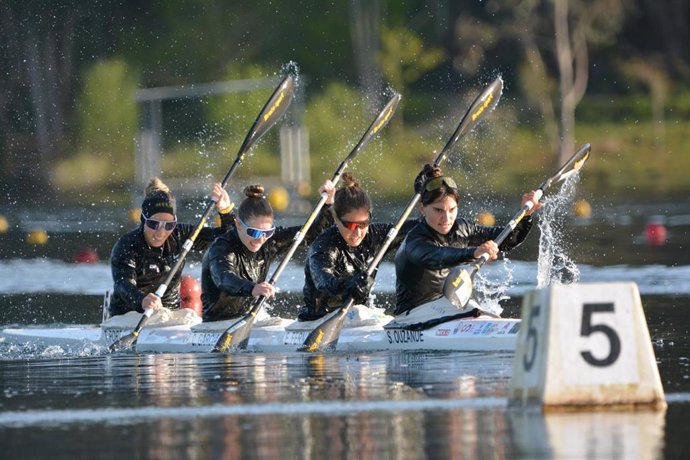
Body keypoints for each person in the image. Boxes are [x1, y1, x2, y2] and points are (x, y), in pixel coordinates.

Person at [393, 164, 542, 322]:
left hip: (446, 307)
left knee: (482, 314)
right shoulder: (414, 240)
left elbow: (508, 239)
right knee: (474, 312)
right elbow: (437, 257)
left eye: (452, 210)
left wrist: (525, 216)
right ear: (423, 209)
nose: (446, 218)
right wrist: (473, 253)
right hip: (412, 315)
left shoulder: (463, 228)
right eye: (438, 210)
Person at [201, 181, 336, 322]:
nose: (261, 239)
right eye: (254, 232)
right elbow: (224, 279)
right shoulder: (220, 248)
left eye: (267, 232)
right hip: (216, 323)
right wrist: (253, 288)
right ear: (239, 224)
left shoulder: (269, 241)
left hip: (249, 318)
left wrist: (327, 205)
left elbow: (314, 234)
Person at [298, 172, 417, 322]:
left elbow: (418, 229)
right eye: (350, 225)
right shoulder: (323, 245)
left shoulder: (377, 236)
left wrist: (427, 197)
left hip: (358, 317)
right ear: (336, 219)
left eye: (363, 224)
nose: (358, 232)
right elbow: (324, 282)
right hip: (318, 320)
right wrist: (349, 285)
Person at [109, 177, 234, 317]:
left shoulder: (182, 234)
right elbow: (123, 284)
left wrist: (225, 212)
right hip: (128, 316)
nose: (161, 232)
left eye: (169, 225)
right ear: (143, 219)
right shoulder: (126, 245)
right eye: (154, 224)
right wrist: (142, 300)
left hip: (168, 315)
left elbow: (227, 240)